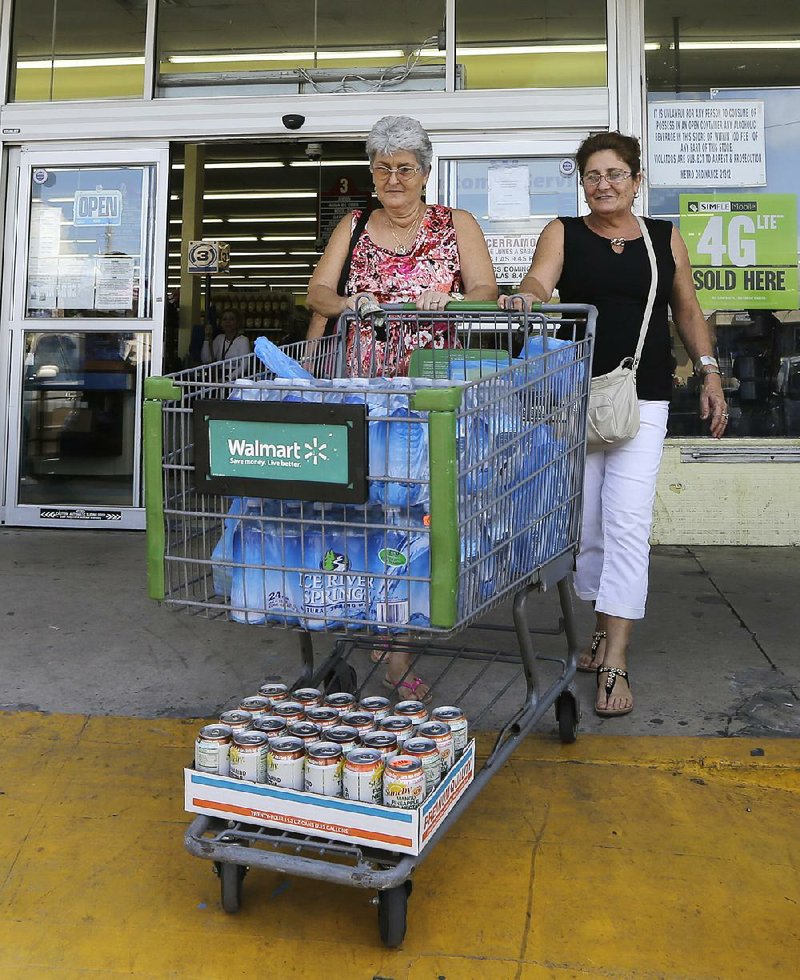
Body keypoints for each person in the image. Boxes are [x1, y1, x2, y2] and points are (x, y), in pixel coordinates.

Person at [500, 131, 727, 718]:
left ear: (636, 179)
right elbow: (539, 280)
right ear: (582, 182)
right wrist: (525, 297)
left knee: (627, 524)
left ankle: (617, 657)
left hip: (643, 395)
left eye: (615, 174)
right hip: (575, 399)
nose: (604, 184)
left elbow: (688, 307)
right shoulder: (564, 232)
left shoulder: (660, 236)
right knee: (591, 527)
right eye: (593, 175)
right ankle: (600, 630)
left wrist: (708, 371)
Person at [307, 114, 498, 701]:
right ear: (372, 173)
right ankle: (390, 645)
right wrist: (349, 302)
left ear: (425, 172)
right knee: (368, 511)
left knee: (418, 515)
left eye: (405, 168)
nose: (394, 178)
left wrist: (453, 298)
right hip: (366, 392)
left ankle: (397, 638)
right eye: (383, 167)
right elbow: (317, 293)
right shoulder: (355, 224)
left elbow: (488, 292)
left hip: (430, 395)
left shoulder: (454, 223)